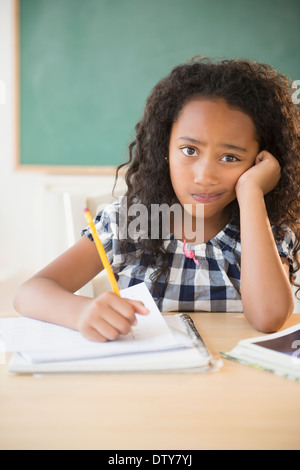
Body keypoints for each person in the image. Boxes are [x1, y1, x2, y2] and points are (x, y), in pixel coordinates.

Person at [14, 57, 300, 340]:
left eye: (230, 157)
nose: (204, 176)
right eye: (189, 150)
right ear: (165, 148)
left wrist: (251, 190)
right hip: (146, 380)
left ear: (260, 161)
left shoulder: (264, 230)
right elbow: (30, 292)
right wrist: (80, 312)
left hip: (231, 383)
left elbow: (269, 318)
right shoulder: (131, 222)